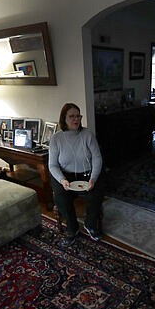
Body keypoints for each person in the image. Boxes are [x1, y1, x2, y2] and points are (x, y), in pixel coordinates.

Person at [48, 103, 104, 246]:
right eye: (71, 116)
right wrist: (62, 180)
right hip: (65, 176)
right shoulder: (56, 138)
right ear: (64, 118)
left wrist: (93, 178)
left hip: (86, 175)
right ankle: (72, 228)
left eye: (78, 116)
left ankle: (90, 224)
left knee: (97, 191)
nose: (76, 119)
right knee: (60, 194)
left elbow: (97, 158)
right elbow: (53, 165)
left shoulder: (88, 135)